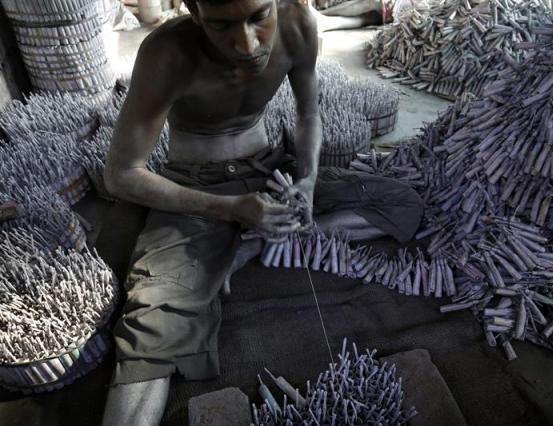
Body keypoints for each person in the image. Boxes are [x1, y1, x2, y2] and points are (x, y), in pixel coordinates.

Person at [101, 0, 423, 424]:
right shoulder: (168, 52)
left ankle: (252, 244)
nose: (247, 43)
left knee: (402, 204)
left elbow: (308, 113)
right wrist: (228, 208)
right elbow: (122, 175)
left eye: (258, 17)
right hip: (198, 186)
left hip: (271, 171)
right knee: (151, 330)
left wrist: (306, 180)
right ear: (195, 12)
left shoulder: (298, 23)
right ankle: (249, 237)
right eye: (221, 25)